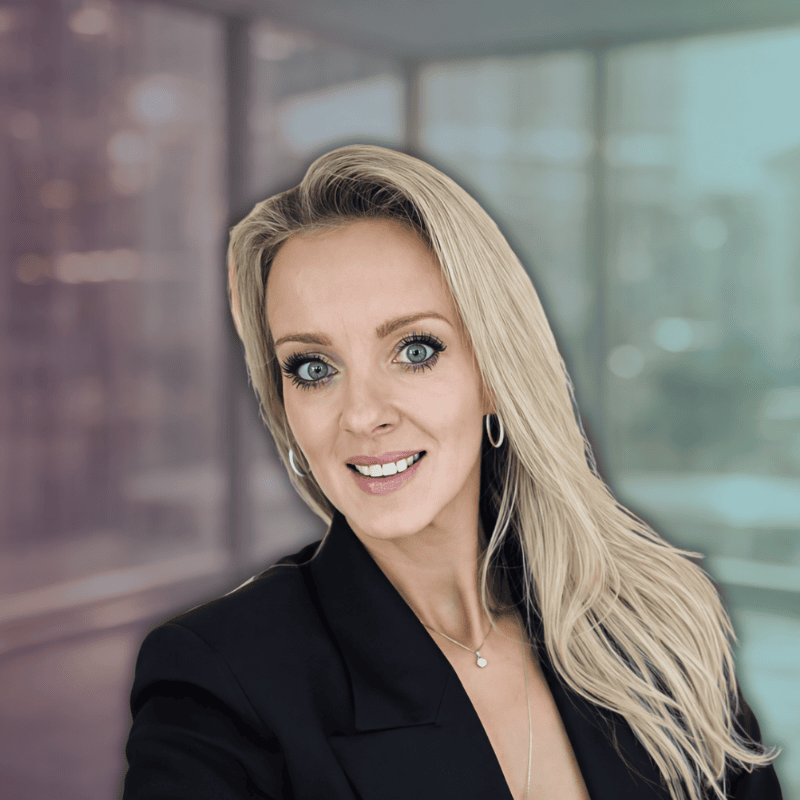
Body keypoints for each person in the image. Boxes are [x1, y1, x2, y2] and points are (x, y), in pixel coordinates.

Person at [121, 144, 783, 800]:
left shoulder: (652, 632)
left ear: (494, 375)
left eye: (415, 350)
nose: (363, 415)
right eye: (313, 368)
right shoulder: (218, 681)